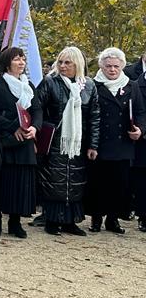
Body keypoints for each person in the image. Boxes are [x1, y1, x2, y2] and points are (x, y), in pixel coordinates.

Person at [35, 47, 100, 236]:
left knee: (75, 180)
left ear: (77, 64)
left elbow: (94, 116)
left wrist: (93, 144)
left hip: (78, 141)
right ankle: (52, 220)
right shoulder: (50, 83)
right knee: (54, 179)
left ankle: (70, 221)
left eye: (67, 63)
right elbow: (37, 107)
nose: (63, 66)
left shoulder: (88, 85)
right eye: (60, 62)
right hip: (56, 140)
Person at [0, 47, 42, 238]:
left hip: (25, 140)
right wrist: (12, 127)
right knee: (1, 182)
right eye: (17, 59)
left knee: (20, 182)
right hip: (4, 140)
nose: (21, 63)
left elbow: (37, 110)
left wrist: (34, 128)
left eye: (23, 59)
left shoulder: (29, 85)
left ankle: (15, 221)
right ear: (7, 62)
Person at [86, 48, 140, 233]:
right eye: (108, 66)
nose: (112, 70)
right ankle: (96, 218)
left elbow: (141, 112)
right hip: (100, 142)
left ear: (122, 67)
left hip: (123, 143)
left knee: (119, 184)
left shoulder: (132, 86)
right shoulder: (94, 85)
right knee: (98, 183)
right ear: (102, 66)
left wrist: (140, 129)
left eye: (116, 66)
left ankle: (113, 218)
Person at [131, 72, 146, 232]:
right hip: (142, 139)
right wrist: (142, 129)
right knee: (143, 180)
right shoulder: (136, 84)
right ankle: (144, 216)